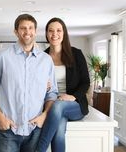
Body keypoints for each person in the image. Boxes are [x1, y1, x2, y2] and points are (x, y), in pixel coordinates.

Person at [0, 14, 58, 152]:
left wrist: (44, 115)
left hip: (35, 130)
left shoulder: (46, 61)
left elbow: (52, 93)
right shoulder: (2, 57)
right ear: (16, 31)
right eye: (23, 28)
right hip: (8, 131)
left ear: (35, 31)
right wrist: (0, 118)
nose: (27, 32)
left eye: (30, 28)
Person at [36, 17, 90, 152]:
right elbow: (35, 83)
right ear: (47, 34)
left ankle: (39, 150)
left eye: (58, 30)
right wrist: (43, 85)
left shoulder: (76, 54)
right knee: (59, 130)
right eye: (51, 31)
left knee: (58, 105)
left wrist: (73, 97)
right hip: (51, 104)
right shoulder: (42, 57)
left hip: (75, 105)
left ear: (64, 33)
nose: (55, 34)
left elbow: (85, 82)